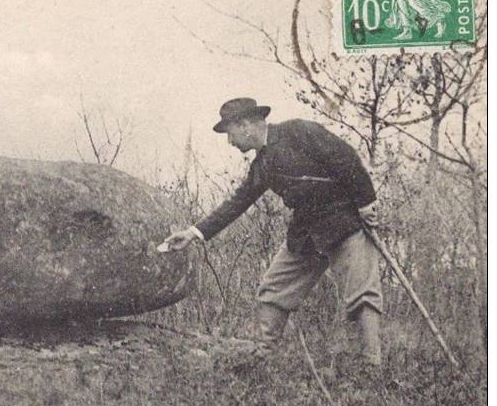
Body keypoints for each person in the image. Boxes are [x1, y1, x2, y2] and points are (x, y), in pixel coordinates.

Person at [161, 98, 384, 367]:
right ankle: (263, 355)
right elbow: (237, 203)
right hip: (306, 231)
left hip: (344, 220)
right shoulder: (261, 166)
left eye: (230, 133)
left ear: (244, 126)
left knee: (362, 292)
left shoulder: (298, 131)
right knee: (274, 288)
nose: (230, 142)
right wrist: (194, 233)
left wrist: (366, 202)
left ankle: (372, 364)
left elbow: (345, 158)